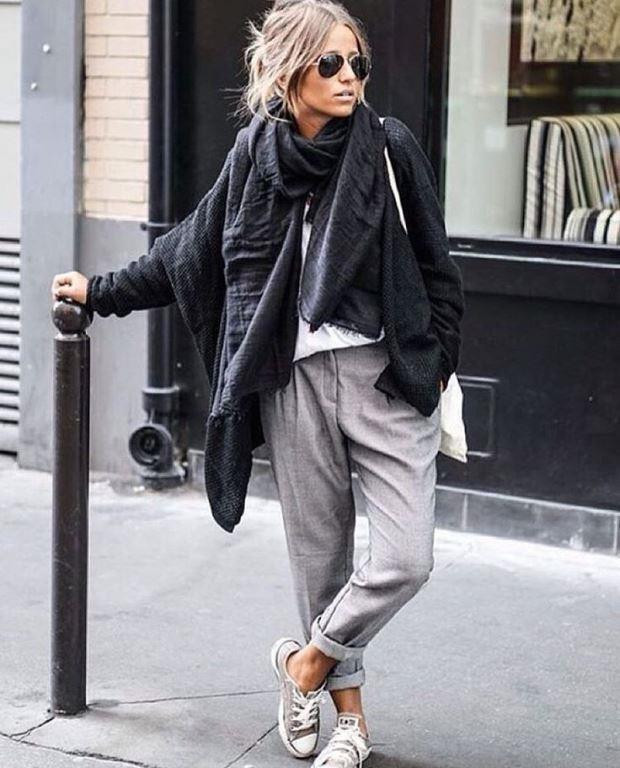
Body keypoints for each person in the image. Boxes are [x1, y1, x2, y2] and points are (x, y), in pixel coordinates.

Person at [51, 1, 464, 765]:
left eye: (358, 63)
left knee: (405, 558)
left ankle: (303, 666)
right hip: (293, 383)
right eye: (331, 63)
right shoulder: (256, 156)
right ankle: (350, 723)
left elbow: (440, 268)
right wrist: (99, 291)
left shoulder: (387, 146)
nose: (349, 77)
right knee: (320, 562)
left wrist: (436, 363)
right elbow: (190, 248)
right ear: (288, 71)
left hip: (385, 377)